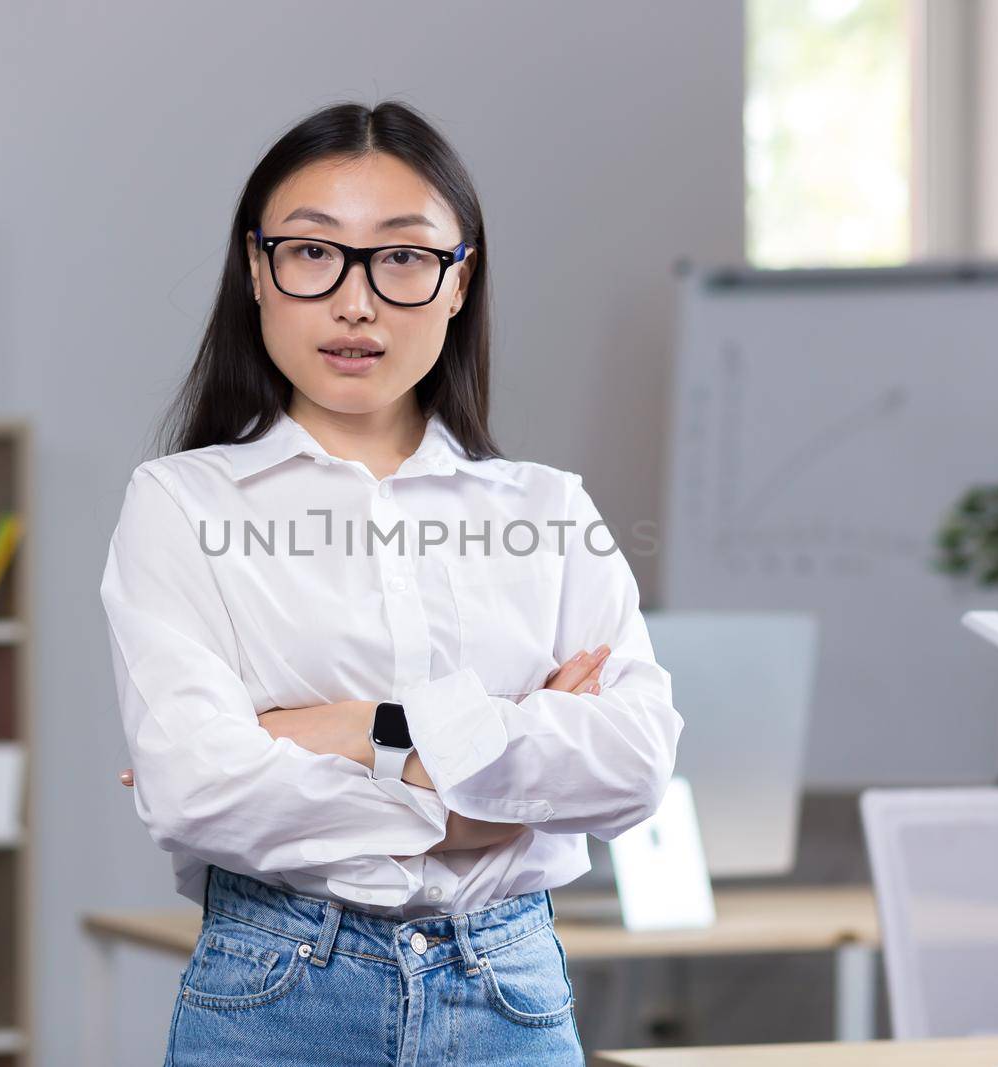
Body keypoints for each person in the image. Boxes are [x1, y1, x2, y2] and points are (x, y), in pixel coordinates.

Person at [99, 98, 683, 1067]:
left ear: (459, 283)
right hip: (277, 991)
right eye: (312, 251)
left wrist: (346, 729)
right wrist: (487, 794)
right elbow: (197, 787)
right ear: (257, 269)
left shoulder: (546, 508)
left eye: (404, 257)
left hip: (508, 991)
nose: (356, 300)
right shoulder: (181, 504)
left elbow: (631, 761)